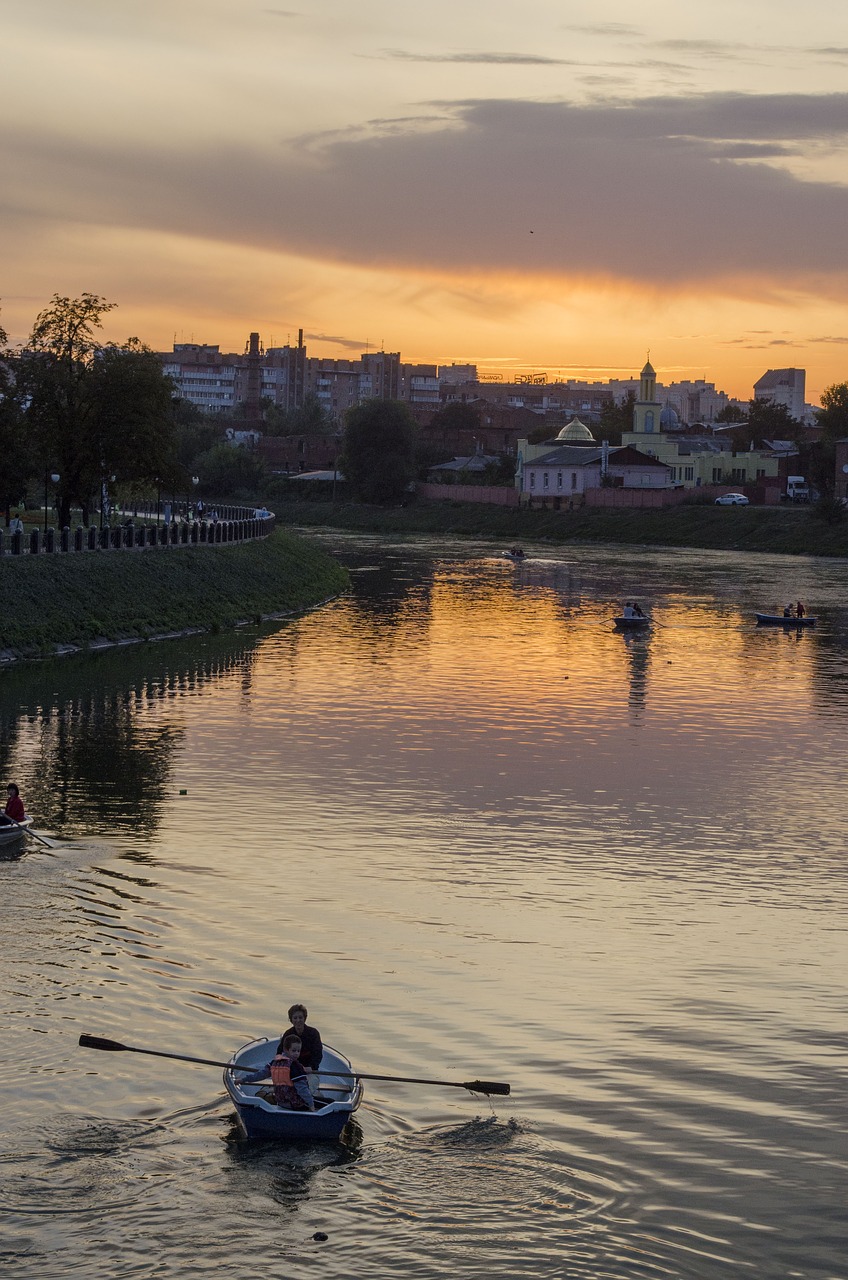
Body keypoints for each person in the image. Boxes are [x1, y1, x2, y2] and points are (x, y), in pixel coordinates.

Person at [236, 1033, 315, 1110]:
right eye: (294, 1051)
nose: (296, 1054)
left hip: (281, 1102)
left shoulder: (275, 1062)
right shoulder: (295, 1066)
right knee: (318, 1101)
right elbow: (302, 1089)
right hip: (296, 1104)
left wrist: (243, 1080)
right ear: (286, 1050)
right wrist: (311, 1104)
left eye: (298, 1051)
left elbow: (260, 1075)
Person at [277, 1003, 323, 1072]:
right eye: (295, 1018)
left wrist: (311, 1067)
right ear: (291, 1020)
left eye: (300, 1017)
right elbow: (280, 1052)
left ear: (304, 1018)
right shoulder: (288, 1034)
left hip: (309, 1069)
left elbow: (318, 1055)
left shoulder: (313, 1033)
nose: (298, 1020)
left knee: (312, 1082)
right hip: (290, 1068)